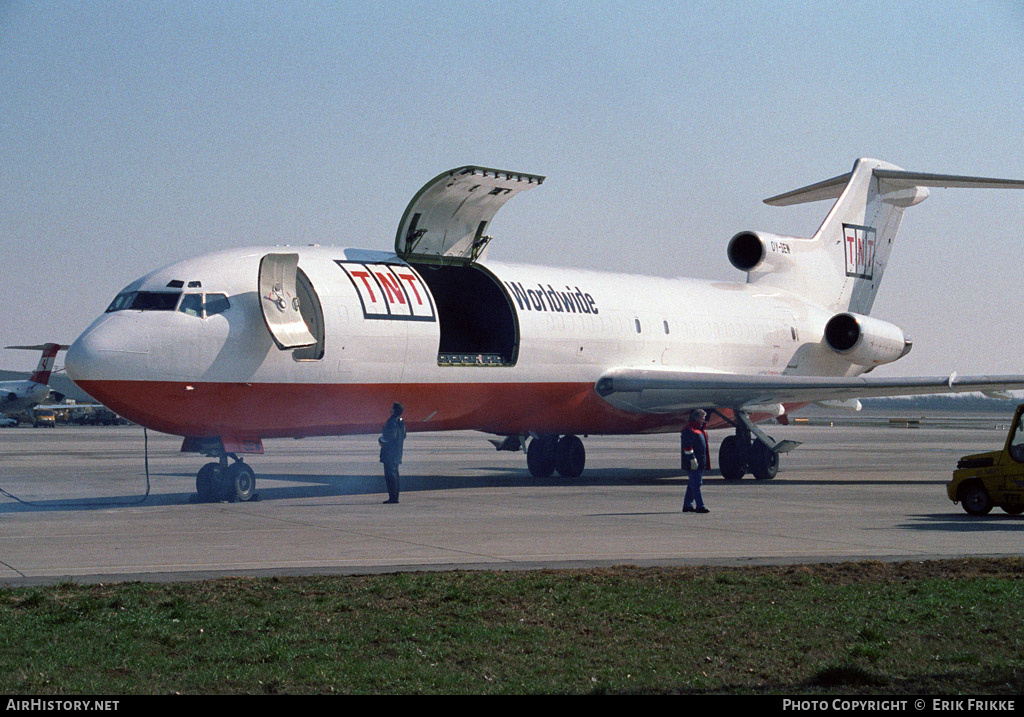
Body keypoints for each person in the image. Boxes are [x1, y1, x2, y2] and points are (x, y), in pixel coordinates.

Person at [681, 408, 710, 513]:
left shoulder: (700, 430)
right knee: (697, 483)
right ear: (697, 418)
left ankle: (687, 505)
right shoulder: (689, 430)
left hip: (700, 461)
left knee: (692, 484)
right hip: (693, 462)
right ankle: (700, 505)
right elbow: (687, 446)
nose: (704, 420)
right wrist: (692, 459)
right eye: (702, 418)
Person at [378, 402, 406, 504]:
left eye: (391, 408)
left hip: (390, 453)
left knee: (390, 476)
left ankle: (393, 498)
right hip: (397, 451)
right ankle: (395, 496)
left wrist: (381, 441)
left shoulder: (392, 422)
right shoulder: (401, 421)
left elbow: (390, 437)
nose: (390, 409)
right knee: (395, 475)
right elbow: (403, 435)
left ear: (394, 410)